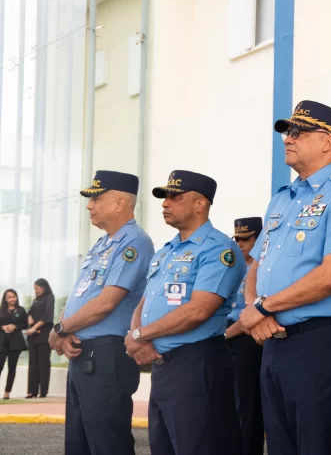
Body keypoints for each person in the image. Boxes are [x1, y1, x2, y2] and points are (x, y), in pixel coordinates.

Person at [239, 100, 331, 455]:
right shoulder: (281, 199)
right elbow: (258, 264)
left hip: (320, 341)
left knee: (314, 446)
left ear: (328, 142)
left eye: (298, 132)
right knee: (281, 446)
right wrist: (257, 309)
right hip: (275, 341)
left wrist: (264, 308)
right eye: (287, 132)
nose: (288, 138)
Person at [124, 170, 244, 455]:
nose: (166, 203)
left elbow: (198, 311)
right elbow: (145, 301)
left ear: (200, 204)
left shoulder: (218, 249)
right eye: (165, 197)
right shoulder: (167, 251)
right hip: (164, 366)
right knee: (163, 446)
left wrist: (140, 334)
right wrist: (136, 336)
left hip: (196, 364)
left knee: (198, 446)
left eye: (175, 197)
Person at [47, 170, 154, 455]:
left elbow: (107, 302)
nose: (89, 205)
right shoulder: (103, 244)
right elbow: (81, 294)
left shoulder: (134, 242)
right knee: (79, 441)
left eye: (96, 198)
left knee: (107, 442)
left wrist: (60, 330)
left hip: (107, 355)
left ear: (120, 203)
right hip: (83, 352)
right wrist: (66, 329)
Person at [225, 216, 265, 455]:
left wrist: (224, 335)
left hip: (246, 339)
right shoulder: (234, 267)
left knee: (247, 406)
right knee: (229, 405)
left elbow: (251, 312)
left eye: (245, 239)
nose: (239, 244)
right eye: (236, 238)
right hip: (228, 336)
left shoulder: (260, 270)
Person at [26, 278, 55, 398]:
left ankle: (43, 392)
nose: (36, 291)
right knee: (33, 363)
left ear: (43, 287)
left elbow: (47, 316)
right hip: (33, 337)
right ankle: (31, 391)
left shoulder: (49, 297)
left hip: (44, 335)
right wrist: (29, 318)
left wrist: (34, 327)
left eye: (37, 288)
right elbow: (30, 312)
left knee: (43, 363)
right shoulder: (36, 300)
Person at [0, 289, 28, 399]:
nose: (12, 299)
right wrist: (3, 327)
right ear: (5, 299)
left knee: (12, 367)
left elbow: (25, 324)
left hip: (15, 343)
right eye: (9, 297)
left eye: (14, 296)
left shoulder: (21, 310)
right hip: (2, 342)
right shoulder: (1, 310)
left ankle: (7, 392)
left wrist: (15, 326)